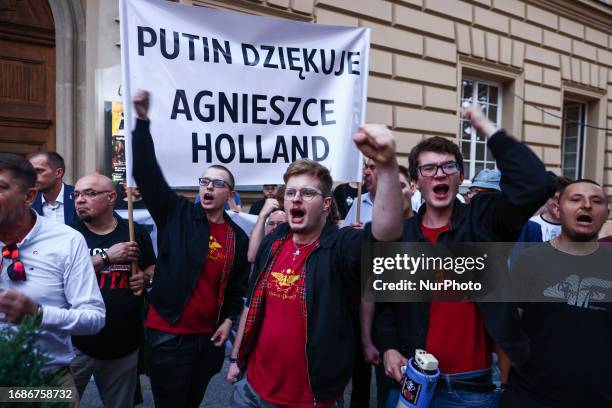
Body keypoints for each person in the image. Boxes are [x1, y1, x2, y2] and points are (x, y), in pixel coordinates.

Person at [373, 103, 556, 407]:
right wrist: (389, 346)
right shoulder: (401, 235)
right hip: (411, 385)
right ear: (416, 182)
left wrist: (488, 129)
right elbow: (386, 306)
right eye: (428, 168)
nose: (439, 174)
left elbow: (535, 184)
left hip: (471, 390)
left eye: (448, 167)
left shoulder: (483, 220)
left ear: (461, 177)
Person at [227, 124, 402, 407]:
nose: (296, 198)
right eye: (291, 192)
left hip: (312, 398)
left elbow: (387, 233)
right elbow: (252, 305)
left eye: (307, 193)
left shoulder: (341, 246)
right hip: (253, 390)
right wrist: (236, 358)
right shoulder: (273, 243)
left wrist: (387, 164)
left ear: (326, 204)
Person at [131, 90, 250, 408]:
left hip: (208, 340)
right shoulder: (177, 213)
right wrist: (142, 123)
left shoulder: (238, 237)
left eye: (218, 183)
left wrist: (227, 321)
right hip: (169, 334)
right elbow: (147, 174)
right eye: (204, 181)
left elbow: (238, 287)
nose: (209, 186)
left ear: (231, 194)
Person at [502, 179, 612, 407]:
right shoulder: (530, 261)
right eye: (576, 199)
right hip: (530, 398)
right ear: (558, 209)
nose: (587, 206)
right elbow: (508, 332)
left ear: (606, 213)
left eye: (596, 201)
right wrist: (503, 387)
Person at [0, 153, 105, 388]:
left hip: (47, 383)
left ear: (28, 196)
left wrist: (38, 315)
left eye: (1, 188)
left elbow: (94, 318)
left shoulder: (67, 241)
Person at [69, 174, 155, 407]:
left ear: (112, 198)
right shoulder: (68, 236)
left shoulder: (133, 232)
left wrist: (145, 278)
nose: (80, 200)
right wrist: (106, 257)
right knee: (56, 401)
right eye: (76, 194)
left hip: (123, 342)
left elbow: (152, 266)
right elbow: (60, 276)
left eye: (90, 193)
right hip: (75, 344)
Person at [29, 151, 76, 225]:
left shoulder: (78, 197)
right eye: (31, 172)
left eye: (38, 171)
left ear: (58, 173)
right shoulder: (28, 202)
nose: (33, 176)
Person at [528, 175, 572, 242]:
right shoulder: (530, 225)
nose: (558, 203)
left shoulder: (576, 226)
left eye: (564, 198)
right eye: (555, 198)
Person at [343, 159, 377, 227]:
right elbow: (342, 233)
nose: (366, 172)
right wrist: (350, 230)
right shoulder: (358, 201)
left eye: (372, 167)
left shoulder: (395, 204)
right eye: (366, 167)